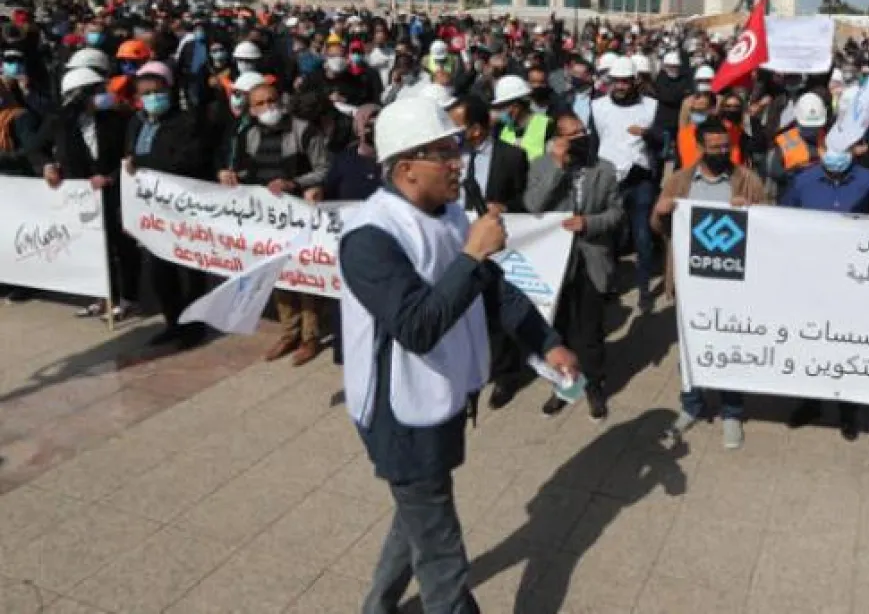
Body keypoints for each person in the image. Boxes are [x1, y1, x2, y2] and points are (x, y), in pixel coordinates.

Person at [339, 95, 578, 614]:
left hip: (442, 399)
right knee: (444, 560)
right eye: (444, 153)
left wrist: (547, 342)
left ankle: (377, 605)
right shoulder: (368, 238)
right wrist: (472, 253)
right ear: (406, 170)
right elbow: (416, 328)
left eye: (457, 149)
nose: (459, 163)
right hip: (400, 415)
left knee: (419, 514)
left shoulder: (447, 213)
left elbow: (494, 289)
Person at [654, 118, 770, 449]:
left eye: (726, 146)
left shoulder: (746, 180)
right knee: (691, 348)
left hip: (733, 284)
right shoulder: (679, 181)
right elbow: (659, 227)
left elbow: (769, 226)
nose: (721, 152)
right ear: (700, 146)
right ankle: (691, 405)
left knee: (730, 348)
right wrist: (661, 212)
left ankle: (732, 412)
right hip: (692, 285)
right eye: (714, 146)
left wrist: (752, 212)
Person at [780, 145, 869, 441]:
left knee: (847, 345)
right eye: (831, 149)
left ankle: (848, 409)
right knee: (810, 341)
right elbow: (782, 220)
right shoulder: (802, 181)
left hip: (853, 280)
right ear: (821, 149)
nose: (837, 155)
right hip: (811, 278)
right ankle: (810, 402)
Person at [221, 82, 331, 366]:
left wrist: (294, 183)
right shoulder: (250, 134)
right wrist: (231, 176)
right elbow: (248, 170)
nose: (268, 106)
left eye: (272, 99)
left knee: (305, 275)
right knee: (279, 275)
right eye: (260, 103)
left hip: (301, 215)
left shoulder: (304, 130)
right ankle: (288, 332)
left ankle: (310, 337)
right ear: (251, 109)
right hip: (266, 219)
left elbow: (324, 168)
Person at [523, 111, 623, 421]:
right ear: (558, 139)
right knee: (559, 329)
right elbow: (533, 206)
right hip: (554, 264)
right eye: (572, 135)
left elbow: (616, 214)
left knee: (590, 330)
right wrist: (557, 166)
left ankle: (594, 386)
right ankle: (564, 385)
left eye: (583, 132)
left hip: (590, 259)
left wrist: (588, 223)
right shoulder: (541, 165)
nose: (581, 138)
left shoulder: (603, 169)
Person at [34, 67, 138, 321]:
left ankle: (128, 297)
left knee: (121, 246)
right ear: (79, 96)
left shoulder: (115, 119)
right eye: (97, 92)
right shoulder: (59, 122)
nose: (103, 96)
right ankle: (102, 296)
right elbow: (36, 148)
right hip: (80, 197)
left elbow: (129, 154)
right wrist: (46, 165)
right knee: (92, 246)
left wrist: (111, 177)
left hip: (114, 192)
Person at [122, 62, 210, 348]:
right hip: (151, 209)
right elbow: (128, 160)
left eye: (157, 92)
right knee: (159, 271)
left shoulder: (186, 122)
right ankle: (173, 322)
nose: (152, 98)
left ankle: (194, 327)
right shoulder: (136, 123)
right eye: (146, 93)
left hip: (182, 206)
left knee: (190, 270)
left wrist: (142, 164)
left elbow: (188, 161)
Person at [591, 56, 660, 314]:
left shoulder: (651, 107)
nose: (620, 86)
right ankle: (607, 286)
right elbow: (594, 142)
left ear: (635, 81)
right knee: (608, 236)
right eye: (616, 81)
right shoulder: (598, 106)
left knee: (642, 236)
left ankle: (644, 290)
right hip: (609, 178)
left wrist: (647, 135)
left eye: (625, 81)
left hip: (640, 178)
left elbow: (663, 143)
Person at [452, 95, 528, 216]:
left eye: (455, 127)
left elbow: (524, 200)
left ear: (476, 129)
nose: (451, 132)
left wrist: (504, 208)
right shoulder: (449, 156)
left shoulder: (512, 156)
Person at [767, 92, 827, 193]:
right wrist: (796, 172)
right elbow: (775, 172)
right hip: (793, 194)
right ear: (797, 121)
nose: (812, 130)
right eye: (807, 126)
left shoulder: (829, 137)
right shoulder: (783, 140)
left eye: (815, 126)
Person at [492, 74, 551, 161]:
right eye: (501, 107)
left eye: (504, 106)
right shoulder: (503, 131)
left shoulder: (547, 125)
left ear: (518, 105)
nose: (502, 111)